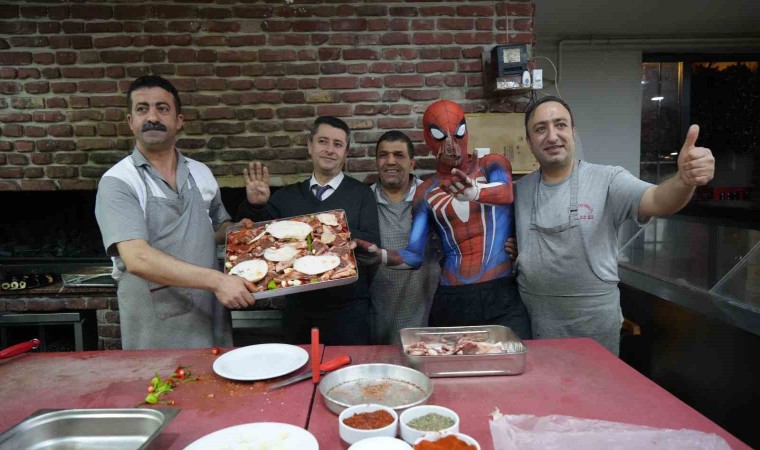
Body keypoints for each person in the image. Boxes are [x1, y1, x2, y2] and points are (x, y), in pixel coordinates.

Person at [512, 95, 715, 355]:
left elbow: (657, 199)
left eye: (560, 125)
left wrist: (684, 181)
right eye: (541, 129)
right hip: (534, 324)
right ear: (529, 142)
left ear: (573, 132)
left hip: (593, 326)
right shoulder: (519, 190)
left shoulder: (608, 179)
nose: (552, 136)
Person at [95, 75, 255, 350]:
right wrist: (219, 280)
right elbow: (137, 258)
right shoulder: (119, 181)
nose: (152, 117)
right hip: (156, 327)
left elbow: (214, 230)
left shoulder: (200, 172)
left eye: (162, 108)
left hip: (209, 313)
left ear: (179, 120)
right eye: (142, 109)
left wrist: (238, 230)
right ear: (131, 121)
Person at [355, 100, 531, 339]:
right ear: (429, 141)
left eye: (457, 133)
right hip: (452, 297)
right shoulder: (426, 191)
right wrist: (380, 255)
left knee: (515, 358)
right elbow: (414, 256)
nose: (451, 144)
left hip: (500, 291)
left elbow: (506, 192)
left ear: (466, 131)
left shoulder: (492, 164)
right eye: (440, 136)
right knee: (448, 362)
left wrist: (476, 192)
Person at [237, 116, 381, 346]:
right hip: (298, 310)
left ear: (346, 153)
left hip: (349, 311)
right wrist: (255, 205)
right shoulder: (285, 197)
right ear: (310, 146)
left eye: (337, 144)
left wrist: (337, 237)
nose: (330, 149)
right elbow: (253, 242)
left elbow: (372, 241)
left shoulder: (362, 194)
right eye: (323, 141)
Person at [369, 131, 441, 345]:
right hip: (377, 317)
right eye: (383, 155)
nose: (390, 161)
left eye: (399, 155)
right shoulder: (363, 201)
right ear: (376, 162)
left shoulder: (433, 198)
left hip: (426, 318)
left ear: (412, 163)